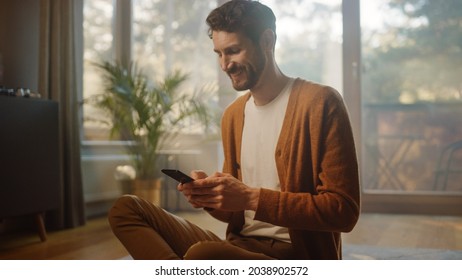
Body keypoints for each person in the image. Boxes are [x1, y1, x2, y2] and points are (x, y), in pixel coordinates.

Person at [108, 0, 360, 260]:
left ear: (267, 41)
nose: (225, 65)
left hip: (295, 256)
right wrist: (210, 197)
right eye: (219, 53)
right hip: (239, 248)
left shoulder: (320, 103)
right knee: (126, 209)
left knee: (202, 255)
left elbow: (344, 212)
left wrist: (251, 198)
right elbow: (235, 212)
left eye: (234, 51)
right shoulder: (233, 115)